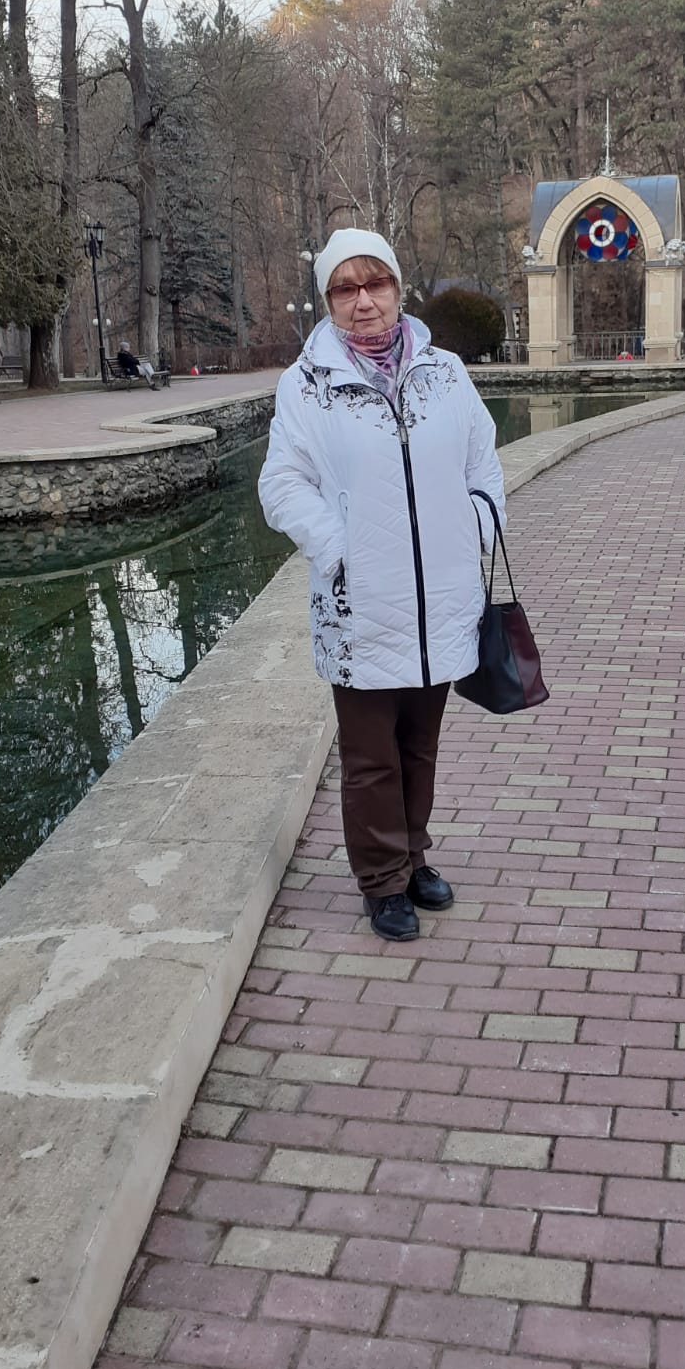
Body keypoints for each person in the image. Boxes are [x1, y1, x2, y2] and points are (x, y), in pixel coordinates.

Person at [258, 228, 506, 942]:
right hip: (359, 606)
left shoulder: (445, 373)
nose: (363, 301)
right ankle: (382, 881)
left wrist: (474, 526)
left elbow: (483, 462)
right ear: (329, 300)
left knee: (419, 746)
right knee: (370, 758)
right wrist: (338, 547)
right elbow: (282, 483)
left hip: (440, 599)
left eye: (376, 284)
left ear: (398, 289)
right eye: (346, 288)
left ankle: (413, 856)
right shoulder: (307, 384)